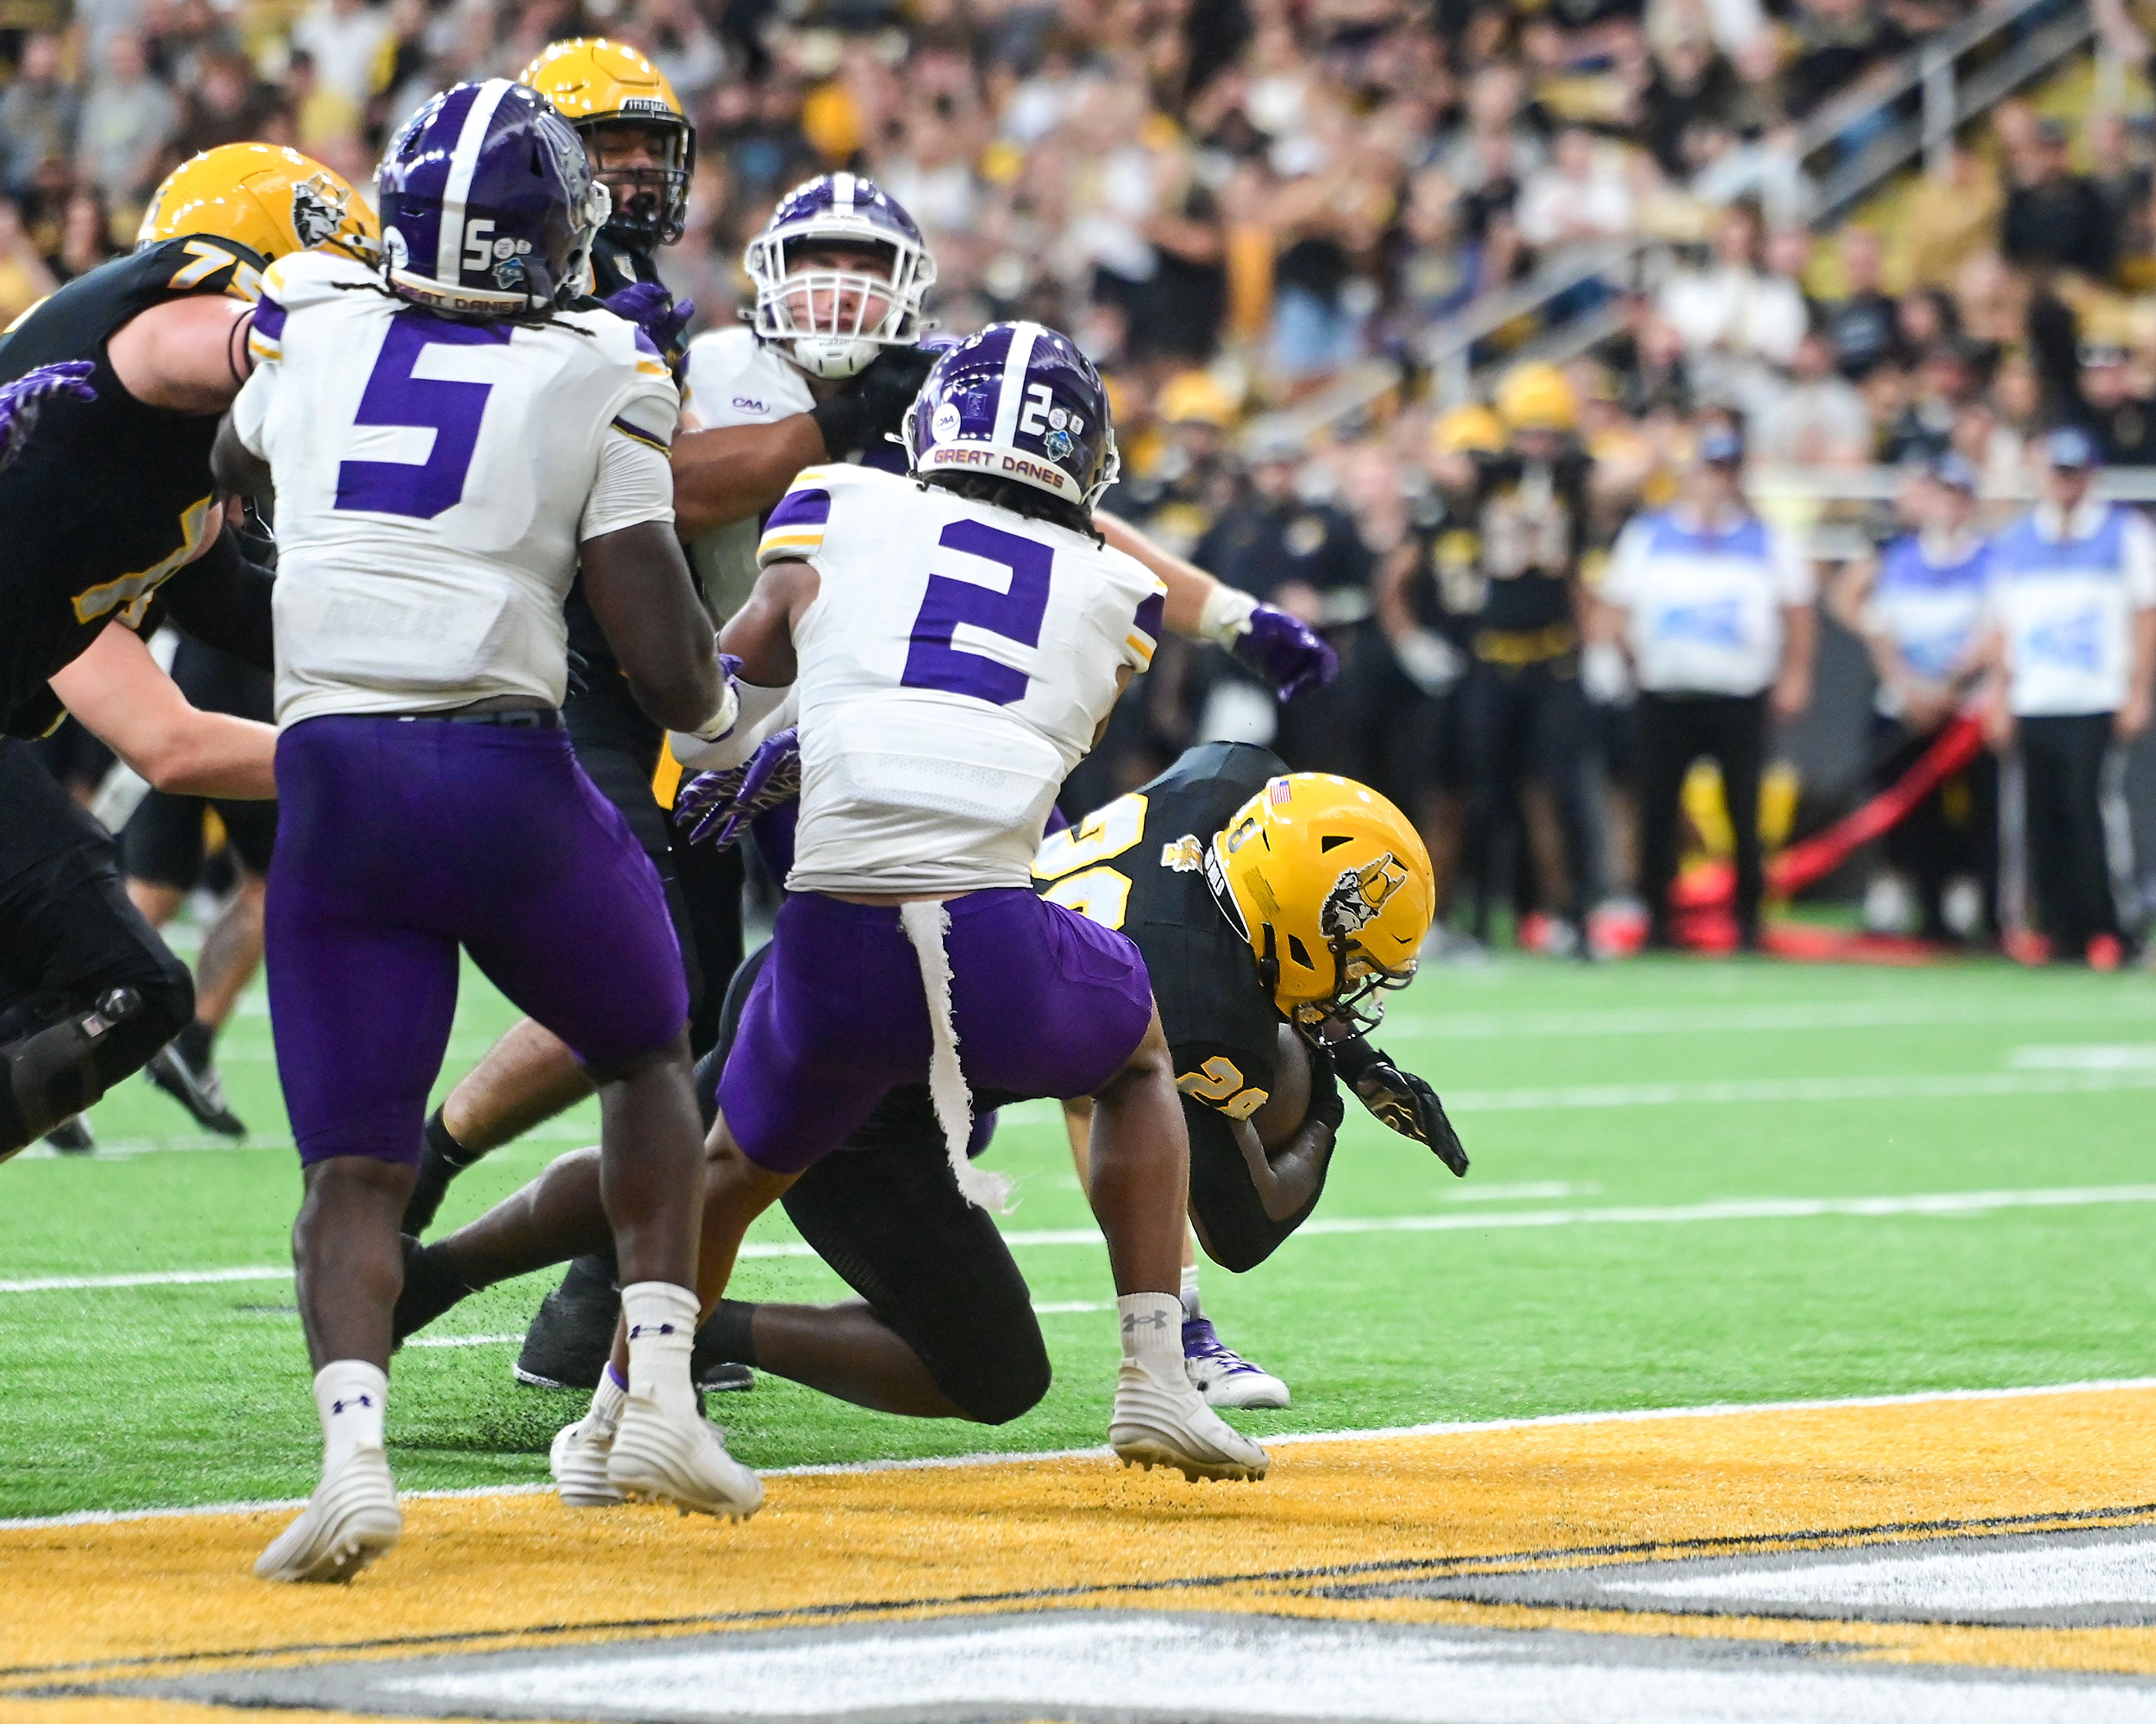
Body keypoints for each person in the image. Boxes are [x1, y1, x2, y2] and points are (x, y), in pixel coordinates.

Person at [412, 172, 1337, 1396]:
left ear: (912, 290)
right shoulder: (737, 384)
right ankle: (469, 1212)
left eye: (867, 263)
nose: (841, 289)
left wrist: (1229, 610)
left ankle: (586, 1324)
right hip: (725, 729)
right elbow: (670, 496)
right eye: (819, 260)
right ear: (765, 271)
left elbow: (1052, 522)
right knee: (693, 1036)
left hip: (843, 749)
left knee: (746, 1095)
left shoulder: (945, 410)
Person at [212, 80, 757, 1582]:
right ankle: (653, 1390)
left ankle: (351, 1461)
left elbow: (235, 466)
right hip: (504, 770)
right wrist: (729, 735)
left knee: (354, 1167)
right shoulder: (601, 363)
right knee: (649, 1049)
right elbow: (658, 654)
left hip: (332, 774)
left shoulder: (314, 323)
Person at [572, 322, 1269, 1489]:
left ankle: (615, 1416)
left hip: (834, 936)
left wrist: (765, 749)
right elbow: (1034, 740)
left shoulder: (834, 500)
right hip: (985, 938)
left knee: (734, 1164)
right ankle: (1157, 1368)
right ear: (1084, 458)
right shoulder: (1121, 590)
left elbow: (725, 695)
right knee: (1136, 1053)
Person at [398, 746, 1464, 1426]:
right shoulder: (1206, 1011)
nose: (1361, 990)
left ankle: (454, 1283)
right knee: (991, 1372)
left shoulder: (1228, 781)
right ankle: (689, 1326)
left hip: (845, 954)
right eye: (1359, 961)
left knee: (699, 1163)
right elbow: (1244, 1222)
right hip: (900, 1066)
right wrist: (1332, 1095)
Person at [0, 143, 375, 1162]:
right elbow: (206, 343)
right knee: (120, 985)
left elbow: (169, 742)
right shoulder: (173, 321)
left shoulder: (146, 500)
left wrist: (404, 713)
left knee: (101, 989)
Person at [1600, 417, 1817, 950]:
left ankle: (1749, 920)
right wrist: (1627, 660)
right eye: (1709, 469)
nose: (1717, 481)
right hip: (1666, 691)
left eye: (1727, 470)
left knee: (1744, 810)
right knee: (1658, 809)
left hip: (1738, 693)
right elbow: (1615, 608)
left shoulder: (1766, 540)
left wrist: (1794, 676)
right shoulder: (1650, 535)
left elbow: (1798, 612)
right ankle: (1659, 918)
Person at [1429, 361, 1603, 952]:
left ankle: (1571, 917)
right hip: (1492, 656)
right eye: (1528, 432)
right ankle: (1478, 920)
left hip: (1553, 657)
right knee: (1485, 795)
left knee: (1558, 791)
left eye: (1548, 433)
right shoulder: (1488, 476)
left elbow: (1627, 475)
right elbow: (1440, 464)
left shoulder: (1576, 479)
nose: (1538, 445)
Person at [1979, 426, 2156, 967]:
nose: (2066, 485)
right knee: (2040, 818)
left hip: (2095, 694)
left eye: (2075, 473)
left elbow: (2145, 614)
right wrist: (1999, 694)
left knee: (2093, 814)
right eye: (2058, 473)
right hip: (2036, 697)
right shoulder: (2017, 540)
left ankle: (2112, 926)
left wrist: (2137, 689)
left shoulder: (2122, 533)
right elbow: (2002, 625)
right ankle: (2058, 929)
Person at [1828, 453, 1995, 941]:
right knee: (1904, 808)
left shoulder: (1990, 559)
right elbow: (1873, 622)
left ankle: (1965, 899)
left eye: (1959, 495)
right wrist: (1907, 686)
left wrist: (1952, 687)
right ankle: (1906, 895)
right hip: (1905, 703)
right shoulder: (1900, 555)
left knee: (1972, 810)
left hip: (1964, 709)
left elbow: (1995, 626)